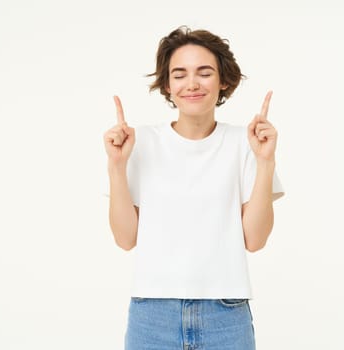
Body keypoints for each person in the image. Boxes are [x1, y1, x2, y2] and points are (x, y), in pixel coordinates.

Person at [103, 26, 285, 350]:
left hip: (225, 316)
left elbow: (255, 240)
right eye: (179, 74)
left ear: (223, 81)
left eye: (204, 72)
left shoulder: (245, 144)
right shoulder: (138, 142)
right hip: (152, 316)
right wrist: (116, 166)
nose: (192, 84)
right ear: (167, 86)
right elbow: (125, 238)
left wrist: (266, 162)